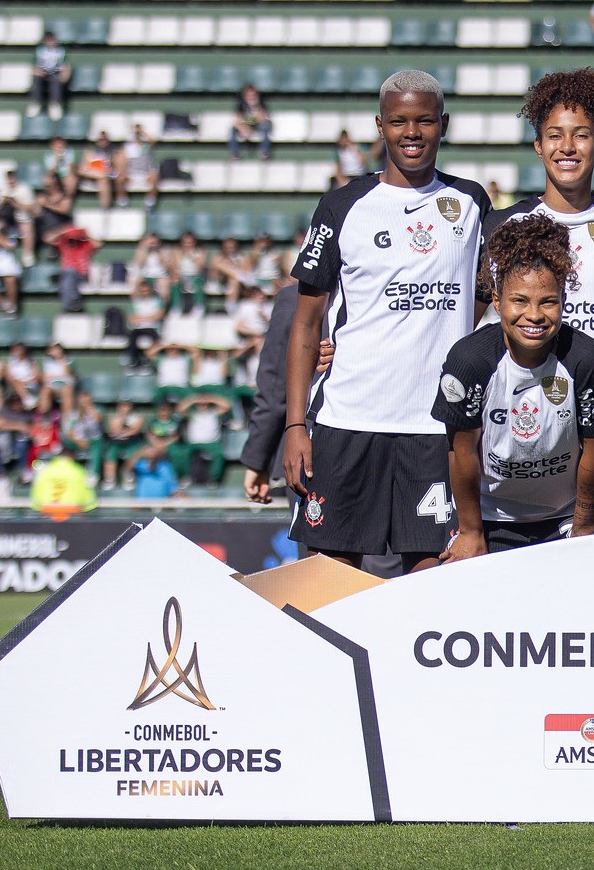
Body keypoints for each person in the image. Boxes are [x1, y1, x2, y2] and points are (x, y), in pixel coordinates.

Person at [283, 69, 489, 571]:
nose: (411, 133)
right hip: (348, 419)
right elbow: (307, 323)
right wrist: (294, 425)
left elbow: (487, 291)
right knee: (330, 583)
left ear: (444, 124)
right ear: (380, 125)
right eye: (399, 121)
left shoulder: (472, 203)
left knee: (430, 581)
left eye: (424, 121)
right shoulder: (343, 205)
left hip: (434, 425)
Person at [486, 68, 594, 529]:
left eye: (581, 135)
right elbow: (477, 317)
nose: (567, 147)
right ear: (538, 145)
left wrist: (593, 349)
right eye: (555, 135)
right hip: (520, 417)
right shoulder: (502, 227)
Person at [433, 215, 594, 557]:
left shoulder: (589, 361)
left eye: (548, 301)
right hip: (491, 515)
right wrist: (472, 532)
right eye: (519, 301)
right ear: (496, 300)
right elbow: (461, 454)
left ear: (564, 298)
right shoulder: (469, 361)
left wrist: (582, 528)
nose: (534, 315)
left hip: (566, 515)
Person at [241, 283, 299, 503]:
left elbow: (275, 390)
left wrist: (258, 459)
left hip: (316, 453)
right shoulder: (402, 292)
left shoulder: (297, 297)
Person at [171, 392, 230, 488]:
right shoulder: (193, 413)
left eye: (204, 404)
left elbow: (226, 405)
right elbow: (180, 408)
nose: (202, 406)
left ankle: (213, 479)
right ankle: (186, 477)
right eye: (200, 404)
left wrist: (211, 398)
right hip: (193, 443)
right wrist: (194, 399)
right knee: (182, 453)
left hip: (211, 443)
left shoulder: (214, 413)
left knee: (219, 454)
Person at [29, 450, 96, 515]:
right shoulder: (80, 471)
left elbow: (35, 501)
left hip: (47, 511)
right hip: (72, 512)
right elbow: (89, 502)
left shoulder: (44, 472)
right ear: (72, 457)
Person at [98, 398, 145, 490]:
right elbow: (115, 430)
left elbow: (135, 431)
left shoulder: (138, 417)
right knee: (110, 452)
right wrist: (122, 418)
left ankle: (128, 477)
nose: (124, 408)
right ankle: (110, 479)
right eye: (121, 406)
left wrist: (124, 431)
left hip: (132, 442)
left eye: (126, 405)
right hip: (117, 442)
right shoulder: (115, 417)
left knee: (133, 452)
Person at [28, 31, 71, 121]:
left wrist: (64, 74)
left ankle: (54, 104)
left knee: (55, 80)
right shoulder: (40, 51)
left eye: (52, 40)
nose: (50, 42)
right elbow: (34, 67)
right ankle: (36, 103)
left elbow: (65, 66)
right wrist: (38, 72)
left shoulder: (61, 51)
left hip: (55, 73)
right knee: (37, 80)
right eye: (48, 40)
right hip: (42, 73)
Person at [118, 123, 159, 209]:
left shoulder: (146, 146)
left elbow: (153, 140)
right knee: (120, 178)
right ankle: (122, 200)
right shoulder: (127, 147)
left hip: (145, 174)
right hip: (131, 175)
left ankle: (150, 202)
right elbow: (121, 162)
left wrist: (141, 131)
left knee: (155, 177)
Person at [229, 84, 273, 161]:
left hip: (257, 126)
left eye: (253, 95)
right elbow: (237, 120)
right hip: (245, 127)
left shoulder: (261, 104)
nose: (251, 97)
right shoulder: (241, 105)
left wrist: (249, 125)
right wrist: (244, 127)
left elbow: (262, 118)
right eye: (248, 95)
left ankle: (264, 153)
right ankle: (235, 154)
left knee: (265, 127)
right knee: (233, 130)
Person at [77, 132, 118, 210]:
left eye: (104, 140)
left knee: (103, 181)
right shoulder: (90, 151)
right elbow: (82, 170)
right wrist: (98, 174)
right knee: (101, 177)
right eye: (100, 140)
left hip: (106, 177)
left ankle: (105, 208)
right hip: (91, 176)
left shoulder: (113, 152)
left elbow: (114, 171)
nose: (102, 142)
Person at [171, 231, 208, 314]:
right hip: (182, 276)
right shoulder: (177, 252)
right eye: (185, 242)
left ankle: (199, 306)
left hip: (195, 275)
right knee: (175, 279)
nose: (187, 244)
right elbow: (174, 267)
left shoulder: (199, 252)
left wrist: (191, 255)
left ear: (194, 242)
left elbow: (199, 267)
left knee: (198, 280)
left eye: (189, 242)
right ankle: (176, 307)